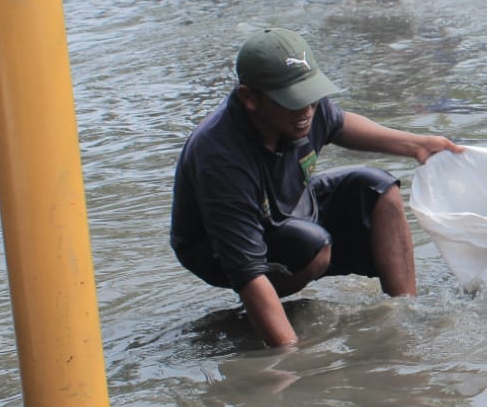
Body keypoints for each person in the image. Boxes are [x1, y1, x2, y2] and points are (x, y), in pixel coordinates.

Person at [170, 28, 462, 348]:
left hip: (286, 205)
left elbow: (339, 124)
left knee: (378, 189)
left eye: (310, 97)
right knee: (313, 246)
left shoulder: (305, 108)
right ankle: (265, 320)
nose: (306, 111)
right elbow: (245, 269)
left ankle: (405, 311)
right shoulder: (220, 158)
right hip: (218, 247)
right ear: (249, 98)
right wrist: (290, 358)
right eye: (292, 102)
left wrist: (415, 145)